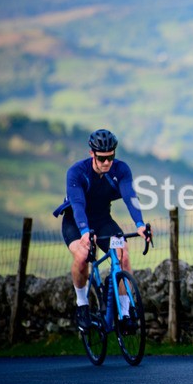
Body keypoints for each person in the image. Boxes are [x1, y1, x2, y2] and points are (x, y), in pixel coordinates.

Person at [53, 129, 150, 332]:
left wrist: (140, 224)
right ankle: (82, 305)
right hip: (76, 222)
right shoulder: (77, 172)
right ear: (92, 154)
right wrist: (85, 232)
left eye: (111, 157)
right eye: (102, 158)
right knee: (82, 257)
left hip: (103, 220)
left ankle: (124, 314)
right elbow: (78, 204)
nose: (107, 162)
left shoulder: (121, 170)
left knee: (123, 254)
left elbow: (130, 196)